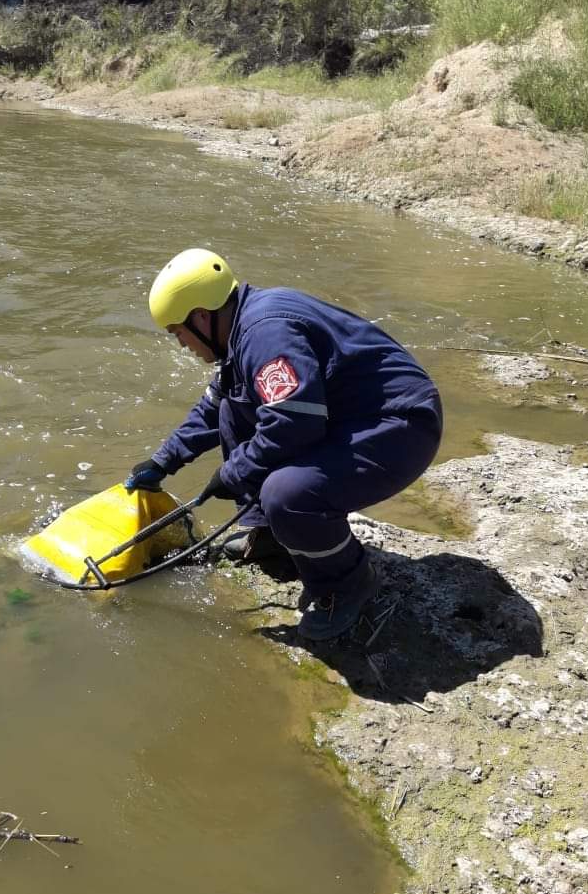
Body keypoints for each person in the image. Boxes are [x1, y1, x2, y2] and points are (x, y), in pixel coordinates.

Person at [125, 248, 442, 641]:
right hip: (351, 417)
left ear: (201, 317)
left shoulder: (265, 333)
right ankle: (271, 535)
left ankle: (347, 583)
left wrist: (231, 473)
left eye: (178, 333)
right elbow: (213, 409)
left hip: (401, 426)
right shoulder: (240, 332)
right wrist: (162, 461)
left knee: (287, 494)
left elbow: (293, 425)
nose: (182, 345)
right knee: (232, 410)